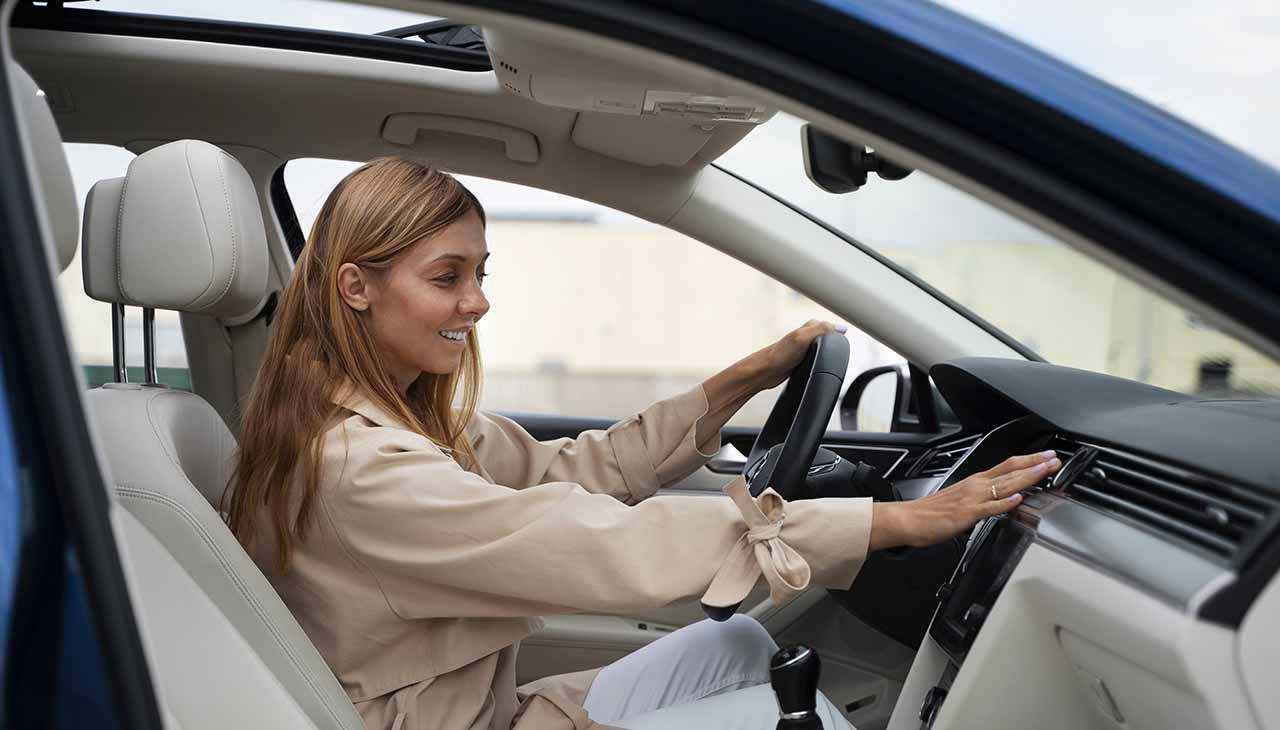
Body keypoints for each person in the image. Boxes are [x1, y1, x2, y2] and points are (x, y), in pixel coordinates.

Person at [224, 158, 1061, 730]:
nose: (477, 302)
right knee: (778, 709)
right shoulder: (362, 467)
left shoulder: (403, 421)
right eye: (448, 277)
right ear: (356, 287)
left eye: (481, 273)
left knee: (742, 645)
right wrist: (896, 522)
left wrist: (746, 378)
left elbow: (571, 470)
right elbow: (596, 544)